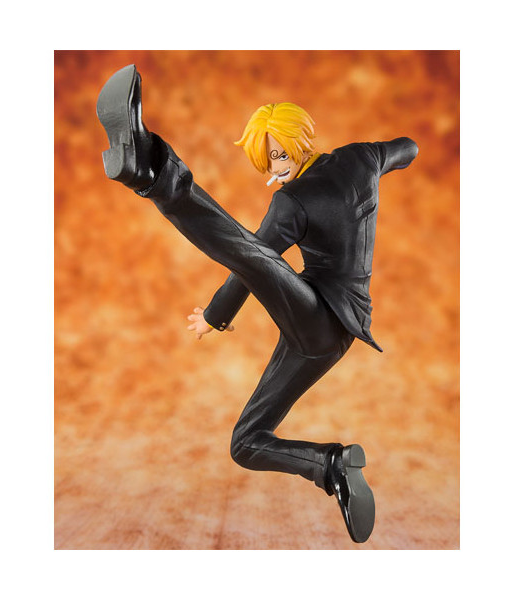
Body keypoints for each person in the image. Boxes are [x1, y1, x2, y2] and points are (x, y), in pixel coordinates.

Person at [96, 64, 418, 543]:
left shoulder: (292, 202)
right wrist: (394, 158)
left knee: (248, 251)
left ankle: (152, 174)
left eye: (279, 155)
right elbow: (407, 147)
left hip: (320, 321)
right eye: (267, 161)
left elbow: (250, 262)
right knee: (245, 444)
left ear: (299, 139)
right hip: (327, 334)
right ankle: (331, 465)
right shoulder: (363, 158)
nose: (275, 169)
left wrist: (214, 316)